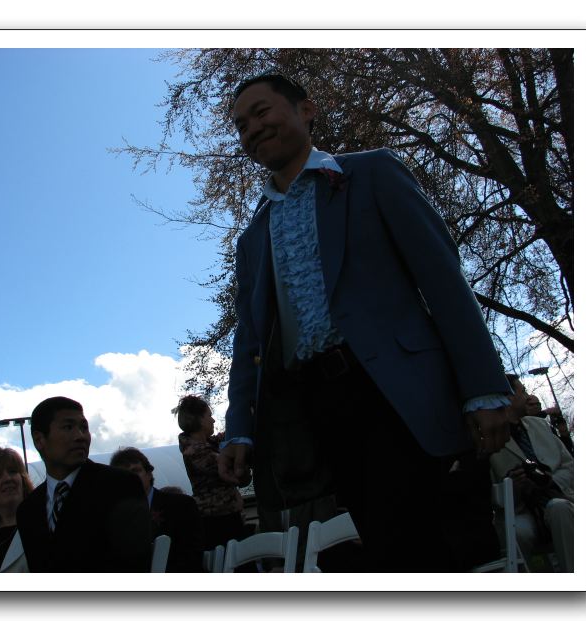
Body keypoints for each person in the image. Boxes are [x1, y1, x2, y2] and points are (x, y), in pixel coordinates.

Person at [219, 73, 513, 571]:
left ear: (306, 109)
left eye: (262, 111)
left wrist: (484, 388)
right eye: (241, 126)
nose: (252, 129)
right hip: (323, 410)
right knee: (390, 554)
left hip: (406, 395)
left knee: (451, 552)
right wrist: (238, 430)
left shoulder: (372, 173)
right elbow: (249, 339)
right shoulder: (253, 238)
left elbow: (442, 280)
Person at [15, 396, 152, 572]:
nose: (80, 436)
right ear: (39, 440)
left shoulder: (119, 486)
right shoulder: (28, 511)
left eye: (84, 428)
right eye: (68, 427)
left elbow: (135, 563)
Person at [490, 374, 574, 572]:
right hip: (521, 510)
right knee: (516, 532)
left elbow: (570, 466)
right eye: (523, 391)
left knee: (559, 508)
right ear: (509, 398)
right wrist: (511, 486)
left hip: (558, 498)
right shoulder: (491, 440)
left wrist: (549, 481)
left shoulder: (540, 426)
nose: (527, 397)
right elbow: (490, 492)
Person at [110, 446, 204, 572]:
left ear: (149, 473)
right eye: (123, 475)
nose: (130, 477)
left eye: (135, 471)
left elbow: (192, 555)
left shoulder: (181, 505)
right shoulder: (112, 516)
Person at [176, 395, 250, 551]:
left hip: (227, 514)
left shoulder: (209, 443)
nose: (213, 420)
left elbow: (228, 436)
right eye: (209, 415)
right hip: (217, 520)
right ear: (199, 419)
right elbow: (232, 469)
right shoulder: (196, 452)